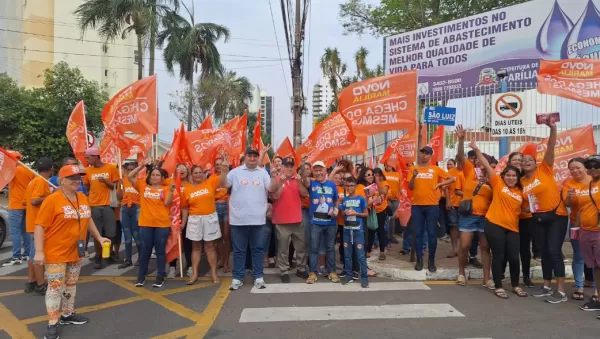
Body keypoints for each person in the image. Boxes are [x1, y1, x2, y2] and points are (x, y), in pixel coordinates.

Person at [33, 165, 111, 339]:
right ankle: (53, 323)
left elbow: (87, 218)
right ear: (62, 181)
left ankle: (68, 314)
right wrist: (39, 251)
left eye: (79, 178)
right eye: (72, 178)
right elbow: (39, 226)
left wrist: (99, 237)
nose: (77, 181)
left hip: (76, 251)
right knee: (54, 288)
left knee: (71, 284)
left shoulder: (82, 196)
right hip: (55, 253)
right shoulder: (52, 200)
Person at [470, 140, 526, 300]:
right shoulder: (498, 183)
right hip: (494, 224)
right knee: (499, 255)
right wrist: (476, 149)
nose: (511, 178)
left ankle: (515, 285)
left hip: (513, 228)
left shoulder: (521, 191)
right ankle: (499, 286)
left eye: (514, 175)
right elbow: (486, 165)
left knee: (514, 258)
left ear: (517, 177)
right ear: (503, 176)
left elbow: (525, 209)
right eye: (508, 175)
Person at [219, 147, 281, 291]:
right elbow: (224, 184)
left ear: (257, 158)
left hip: (258, 219)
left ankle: (258, 276)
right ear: (245, 157)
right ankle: (238, 277)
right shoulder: (235, 172)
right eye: (249, 156)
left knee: (258, 249)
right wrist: (223, 171)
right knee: (239, 250)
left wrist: (273, 176)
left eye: (255, 156)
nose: (252, 159)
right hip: (238, 219)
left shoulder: (263, 173)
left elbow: (271, 188)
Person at [521, 120, 569, 303]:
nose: (526, 162)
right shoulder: (522, 183)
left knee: (554, 251)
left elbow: (550, 147)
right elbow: (525, 204)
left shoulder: (545, 169)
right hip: (538, 218)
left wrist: (553, 128)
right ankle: (547, 286)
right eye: (524, 161)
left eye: (530, 160)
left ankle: (562, 291)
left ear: (535, 163)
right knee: (544, 252)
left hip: (557, 215)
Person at [454, 126, 493, 289]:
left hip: (486, 217)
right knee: (464, 246)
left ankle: (486, 278)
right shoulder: (470, 172)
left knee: (485, 247)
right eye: (476, 159)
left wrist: (489, 182)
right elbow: (462, 157)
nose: (478, 161)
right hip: (469, 216)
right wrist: (461, 140)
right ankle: (461, 272)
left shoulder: (493, 177)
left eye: (481, 158)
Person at [128, 159, 174, 288]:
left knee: (160, 251)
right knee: (145, 251)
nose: (154, 177)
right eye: (152, 174)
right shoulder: (143, 186)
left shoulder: (166, 188)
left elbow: (167, 203)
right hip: (146, 224)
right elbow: (130, 176)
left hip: (162, 225)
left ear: (162, 177)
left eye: (157, 175)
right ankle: (141, 276)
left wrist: (170, 191)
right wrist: (141, 166)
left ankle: (160, 276)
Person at [407, 146, 455, 272]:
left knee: (432, 234)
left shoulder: (436, 169)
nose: (423, 155)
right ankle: (419, 260)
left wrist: (440, 184)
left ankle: (431, 260)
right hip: (417, 206)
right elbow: (410, 187)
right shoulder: (413, 168)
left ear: (430, 156)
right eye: (422, 153)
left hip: (432, 206)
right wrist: (414, 177)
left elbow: (452, 178)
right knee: (418, 234)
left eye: (426, 154)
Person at [300, 161, 340, 284]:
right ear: (313, 172)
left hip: (330, 223)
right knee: (314, 248)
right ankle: (313, 272)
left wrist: (335, 209)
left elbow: (336, 200)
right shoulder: (311, 183)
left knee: (330, 248)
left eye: (320, 170)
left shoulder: (332, 185)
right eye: (316, 170)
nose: (318, 173)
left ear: (325, 171)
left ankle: (332, 271)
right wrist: (302, 163)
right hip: (315, 222)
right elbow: (304, 178)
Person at [181, 165, 222, 285]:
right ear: (191, 175)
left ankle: (214, 274)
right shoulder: (187, 189)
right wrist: (183, 223)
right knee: (196, 247)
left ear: (204, 174)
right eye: (195, 173)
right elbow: (184, 208)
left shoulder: (210, 183)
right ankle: (194, 274)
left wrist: (224, 168)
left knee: (210, 247)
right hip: (194, 219)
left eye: (200, 172)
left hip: (210, 218)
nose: (198, 175)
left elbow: (223, 176)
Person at [271, 157, 308, 282]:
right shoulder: (275, 179)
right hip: (282, 221)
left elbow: (304, 194)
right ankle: (284, 271)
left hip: (297, 219)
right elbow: (275, 196)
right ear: (281, 167)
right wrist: (281, 182)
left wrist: (300, 182)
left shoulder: (296, 180)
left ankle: (301, 269)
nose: (288, 168)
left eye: (291, 166)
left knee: (301, 247)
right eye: (286, 166)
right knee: (283, 248)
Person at [563, 157, 594, 301]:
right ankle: (579, 287)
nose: (575, 171)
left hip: (595, 225)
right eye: (571, 169)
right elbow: (567, 204)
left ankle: (596, 291)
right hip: (576, 224)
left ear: (585, 167)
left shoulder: (594, 180)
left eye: (578, 167)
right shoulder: (569, 183)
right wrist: (569, 197)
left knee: (596, 258)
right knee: (579, 256)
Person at [83, 147, 120, 269]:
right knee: (96, 233)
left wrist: (106, 182)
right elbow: (87, 186)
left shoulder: (110, 168)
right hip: (94, 205)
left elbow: (115, 186)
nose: (87, 160)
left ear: (96, 156)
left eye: (88, 158)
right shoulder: (87, 170)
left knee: (110, 232)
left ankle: (107, 254)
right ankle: (98, 256)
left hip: (108, 205)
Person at [23, 157, 54, 295]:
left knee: (32, 255)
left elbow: (25, 202)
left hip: (32, 222)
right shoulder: (42, 181)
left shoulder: (33, 181)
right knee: (39, 256)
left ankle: (31, 281)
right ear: (51, 169)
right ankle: (41, 284)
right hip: (39, 225)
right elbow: (35, 201)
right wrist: (52, 195)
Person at [575, 155, 600, 313]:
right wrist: (576, 229)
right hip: (585, 231)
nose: (592, 168)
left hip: (598, 232)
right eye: (588, 165)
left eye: (595, 165)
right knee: (595, 267)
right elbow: (580, 210)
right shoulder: (586, 186)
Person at [4, 151, 34, 266]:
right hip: (26, 204)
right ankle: (27, 253)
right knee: (25, 231)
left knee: (15, 232)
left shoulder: (11, 171)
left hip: (15, 205)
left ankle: (16, 256)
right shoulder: (28, 170)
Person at [339, 176, 369, 288]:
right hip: (347, 230)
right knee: (347, 255)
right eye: (347, 185)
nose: (349, 188)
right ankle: (348, 275)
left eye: (351, 185)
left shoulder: (361, 199)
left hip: (358, 230)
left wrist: (356, 213)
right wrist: (345, 212)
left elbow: (366, 214)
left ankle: (364, 278)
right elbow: (342, 214)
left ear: (356, 186)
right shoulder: (344, 200)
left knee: (360, 255)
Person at [168, 164, 193, 279]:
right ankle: (172, 267)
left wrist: (183, 222)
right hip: (172, 216)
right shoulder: (169, 183)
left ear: (188, 171)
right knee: (173, 242)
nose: (182, 170)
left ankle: (190, 266)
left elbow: (186, 206)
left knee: (187, 243)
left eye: (184, 168)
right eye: (179, 168)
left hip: (187, 216)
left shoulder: (191, 184)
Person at [117, 162, 141, 268]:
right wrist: (119, 185)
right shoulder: (123, 181)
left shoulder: (140, 181)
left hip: (137, 208)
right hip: (125, 207)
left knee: (137, 235)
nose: (131, 171)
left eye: (133, 169)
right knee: (127, 236)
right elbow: (119, 196)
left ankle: (141, 258)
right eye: (129, 170)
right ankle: (128, 259)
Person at [214, 157, 231, 274]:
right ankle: (221, 259)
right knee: (218, 236)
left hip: (226, 206)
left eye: (221, 164)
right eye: (217, 164)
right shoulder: (211, 178)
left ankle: (226, 262)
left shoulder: (229, 176)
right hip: (215, 207)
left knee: (226, 236)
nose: (219, 166)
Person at [370, 168, 390, 260]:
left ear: (381, 176)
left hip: (381, 210)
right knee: (371, 230)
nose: (374, 177)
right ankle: (368, 250)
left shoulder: (384, 183)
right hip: (371, 210)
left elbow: (383, 193)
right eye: (374, 175)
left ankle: (382, 252)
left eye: (377, 175)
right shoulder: (370, 184)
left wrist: (378, 182)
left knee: (380, 231)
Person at [445, 159, 462, 258]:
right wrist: (448, 201)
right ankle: (454, 249)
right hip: (453, 203)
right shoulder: (451, 172)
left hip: (465, 204)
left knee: (465, 229)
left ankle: (462, 250)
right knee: (453, 226)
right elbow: (446, 187)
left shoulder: (468, 172)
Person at [383, 163, 402, 244]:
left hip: (396, 198)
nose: (387, 166)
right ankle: (386, 236)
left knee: (393, 218)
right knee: (387, 217)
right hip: (386, 198)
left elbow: (400, 186)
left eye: (389, 164)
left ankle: (391, 236)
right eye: (386, 165)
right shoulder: (383, 174)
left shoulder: (397, 174)